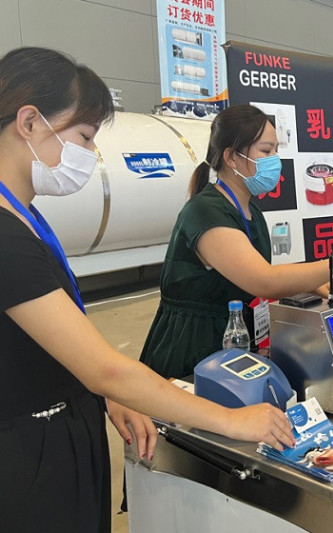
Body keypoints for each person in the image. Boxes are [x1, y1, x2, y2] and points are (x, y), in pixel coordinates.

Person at [0, 46, 295, 533]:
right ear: (29, 122)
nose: (89, 155)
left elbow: (63, 344)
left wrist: (102, 394)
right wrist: (231, 420)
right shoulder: (6, 235)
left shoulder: (24, 217)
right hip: (31, 456)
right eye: (84, 137)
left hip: (63, 431)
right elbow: (106, 368)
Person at [139, 104, 333, 379]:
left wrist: (311, 284)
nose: (275, 160)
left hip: (235, 339)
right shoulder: (205, 212)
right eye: (266, 151)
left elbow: (253, 273)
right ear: (231, 157)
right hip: (195, 347)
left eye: (276, 150)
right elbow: (263, 280)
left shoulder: (250, 210)